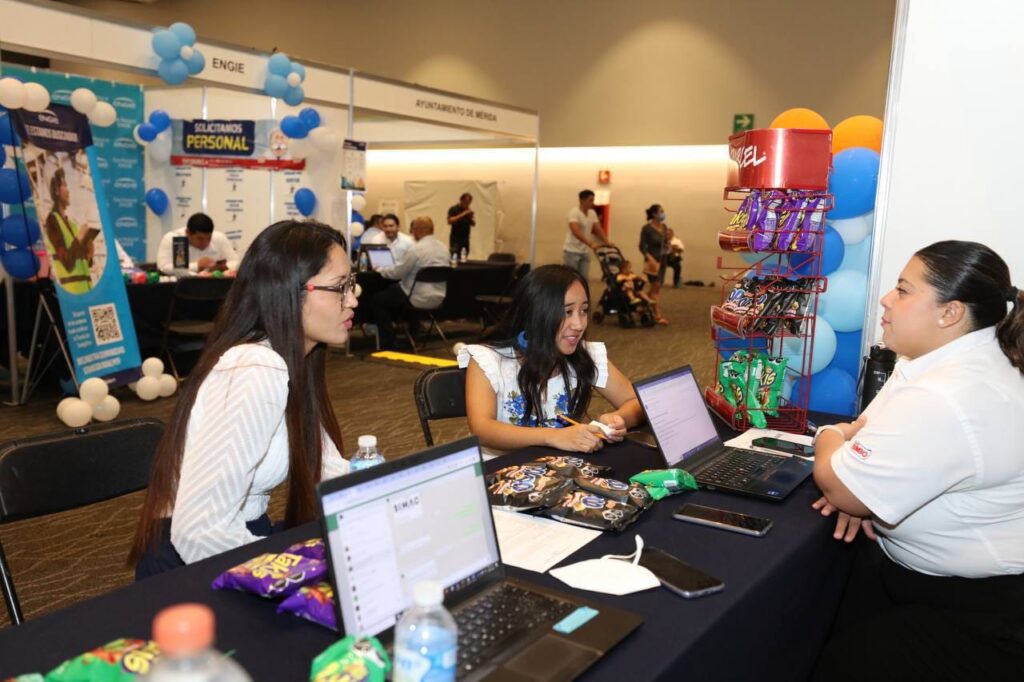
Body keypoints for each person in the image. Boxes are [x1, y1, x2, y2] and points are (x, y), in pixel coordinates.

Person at [811, 240, 1024, 681]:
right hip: (932, 581)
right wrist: (861, 485)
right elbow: (867, 431)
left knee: (843, 664)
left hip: (985, 612)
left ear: (951, 313)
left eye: (904, 290)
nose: (887, 300)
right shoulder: (944, 361)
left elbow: (837, 485)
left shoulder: (948, 393)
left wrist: (830, 439)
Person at [130, 220, 357, 579]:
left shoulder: (290, 358)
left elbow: (329, 467)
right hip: (190, 566)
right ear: (289, 291)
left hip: (243, 536)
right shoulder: (254, 368)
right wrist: (291, 576)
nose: (353, 299)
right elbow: (199, 532)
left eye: (352, 284)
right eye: (340, 287)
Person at [459, 264, 644, 456]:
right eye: (567, 312)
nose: (579, 324)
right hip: (500, 472)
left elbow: (636, 401)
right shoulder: (487, 360)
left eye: (584, 310)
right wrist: (553, 437)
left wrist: (617, 418)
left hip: (558, 470)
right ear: (537, 313)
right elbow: (482, 429)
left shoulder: (586, 354)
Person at [368, 216, 450, 350]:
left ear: (418, 230)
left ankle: (389, 342)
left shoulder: (417, 249)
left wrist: (381, 269)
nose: (412, 232)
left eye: (413, 229)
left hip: (415, 296)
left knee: (377, 300)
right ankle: (413, 336)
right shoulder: (443, 247)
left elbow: (397, 273)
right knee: (401, 295)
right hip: (438, 297)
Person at [43, 168, 93, 295]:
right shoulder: (52, 221)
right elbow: (67, 263)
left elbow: (84, 263)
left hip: (87, 290)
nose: (68, 191)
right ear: (56, 191)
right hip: (72, 294)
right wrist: (80, 238)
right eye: (64, 186)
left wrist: (89, 252)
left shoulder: (73, 224)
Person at [156, 212, 240, 275]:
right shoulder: (174, 239)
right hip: (181, 288)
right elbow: (163, 267)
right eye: (200, 239)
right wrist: (197, 266)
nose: (206, 242)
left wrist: (221, 268)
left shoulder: (219, 237)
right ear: (188, 233)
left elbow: (236, 262)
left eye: (209, 238)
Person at [563, 189, 613, 280]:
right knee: (571, 278)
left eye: (593, 200)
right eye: (590, 200)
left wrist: (607, 242)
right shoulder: (574, 213)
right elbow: (576, 231)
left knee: (584, 278)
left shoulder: (592, 213)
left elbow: (598, 229)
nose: (592, 203)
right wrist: (591, 244)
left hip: (584, 251)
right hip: (572, 251)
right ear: (582, 200)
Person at [638, 204, 670, 323]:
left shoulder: (664, 227)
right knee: (655, 287)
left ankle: (642, 305)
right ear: (654, 214)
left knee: (656, 288)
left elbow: (666, 242)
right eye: (661, 211)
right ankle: (657, 315)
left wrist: (668, 246)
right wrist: (649, 258)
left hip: (662, 261)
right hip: (652, 262)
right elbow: (642, 246)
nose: (663, 213)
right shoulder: (646, 229)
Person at [616, 260, 665, 324]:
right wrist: (624, 279)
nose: (629, 270)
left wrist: (640, 278)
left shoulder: (631, 274)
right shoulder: (620, 275)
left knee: (641, 292)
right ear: (623, 269)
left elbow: (636, 277)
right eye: (627, 268)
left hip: (634, 290)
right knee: (628, 290)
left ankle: (648, 300)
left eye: (630, 268)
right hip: (625, 291)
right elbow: (618, 280)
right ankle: (632, 299)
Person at [447, 192, 475, 258]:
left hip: (465, 239)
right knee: (454, 256)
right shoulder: (453, 209)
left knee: (464, 257)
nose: (467, 205)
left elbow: (473, 224)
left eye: (469, 203)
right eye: (466, 202)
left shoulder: (468, 210)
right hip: (455, 239)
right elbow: (449, 221)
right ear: (461, 200)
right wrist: (463, 214)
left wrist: (470, 217)